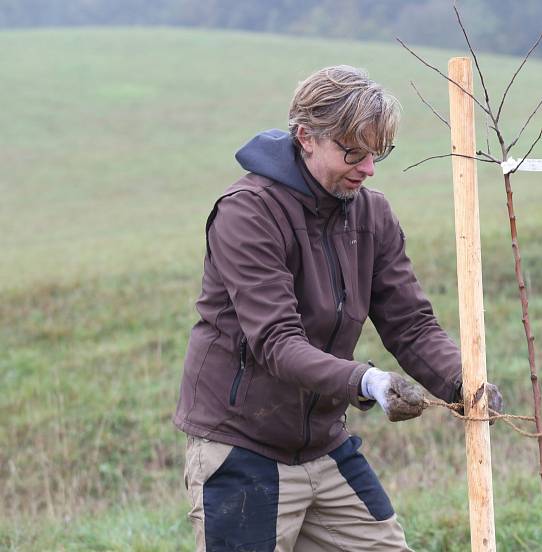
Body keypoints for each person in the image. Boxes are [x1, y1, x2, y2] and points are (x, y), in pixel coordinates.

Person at [173, 65, 503, 551]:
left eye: (377, 153)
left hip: (324, 446)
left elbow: (410, 324)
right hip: (240, 447)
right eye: (353, 152)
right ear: (306, 136)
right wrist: (366, 381)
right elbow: (278, 344)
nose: (368, 168)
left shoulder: (373, 214)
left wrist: (462, 381)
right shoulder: (248, 212)